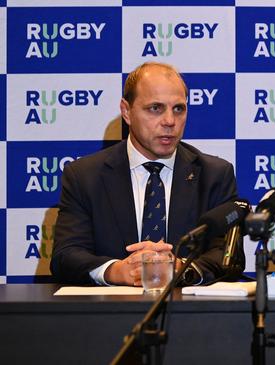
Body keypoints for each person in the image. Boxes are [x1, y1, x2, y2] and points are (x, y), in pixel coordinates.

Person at [51, 62, 239, 286]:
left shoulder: (215, 175)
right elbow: (66, 256)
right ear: (127, 112)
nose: (170, 121)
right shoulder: (84, 176)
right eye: (155, 108)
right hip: (110, 316)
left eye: (178, 109)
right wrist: (116, 271)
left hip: (188, 316)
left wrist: (180, 268)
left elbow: (228, 257)